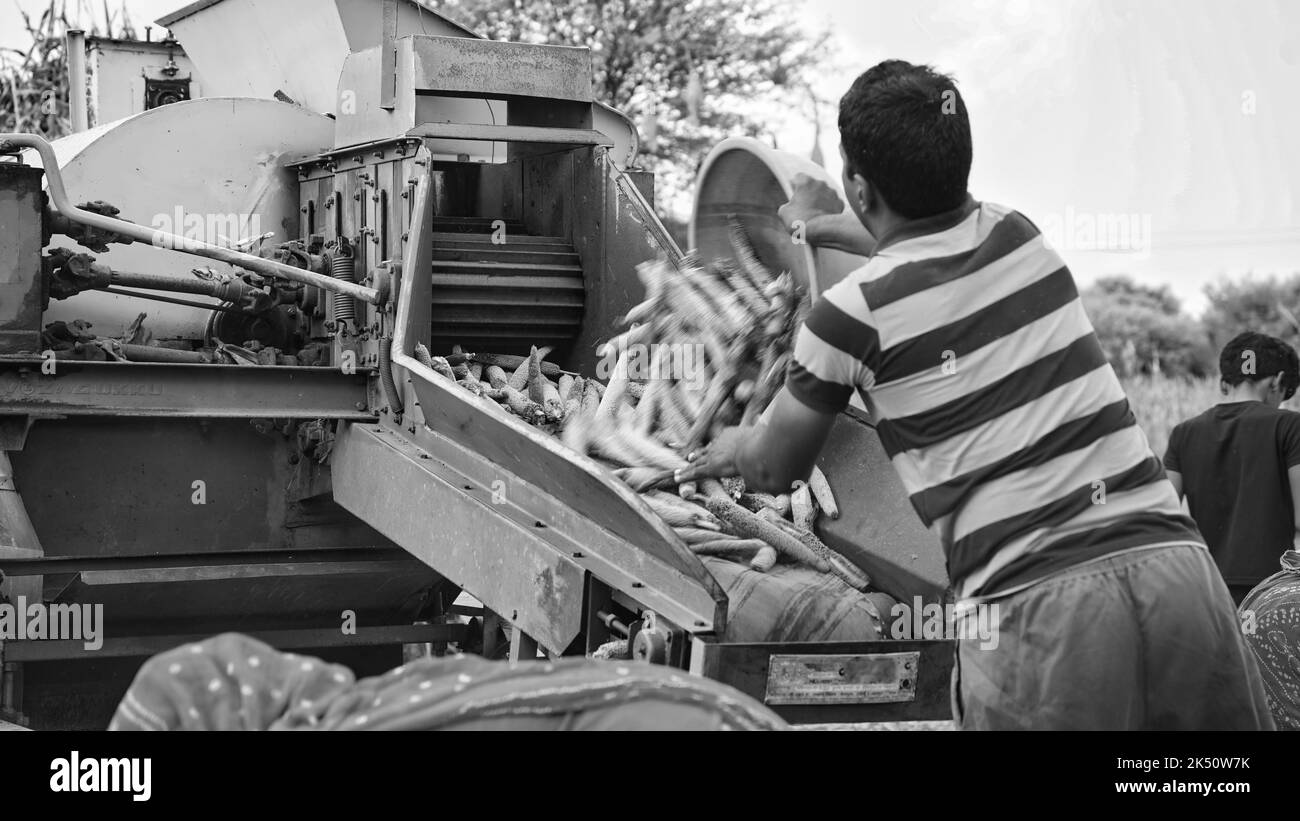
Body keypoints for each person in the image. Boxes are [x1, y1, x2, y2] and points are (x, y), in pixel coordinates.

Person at [676, 59, 1274, 730]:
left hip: (1038, 610)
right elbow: (920, 232)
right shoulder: (1018, 237)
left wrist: (728, 442)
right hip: (1179, 576)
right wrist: (820, 225)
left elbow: (770, 468)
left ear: (860, 187)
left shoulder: (846, 317)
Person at [1163, 331, 1300, 605]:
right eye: (1284, 396)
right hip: (1269, 593)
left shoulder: (1183, 433)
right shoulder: (1290, 426)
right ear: (1279, 382)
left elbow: (1163, 517)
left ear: (1224, 383)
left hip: (1205, 587)